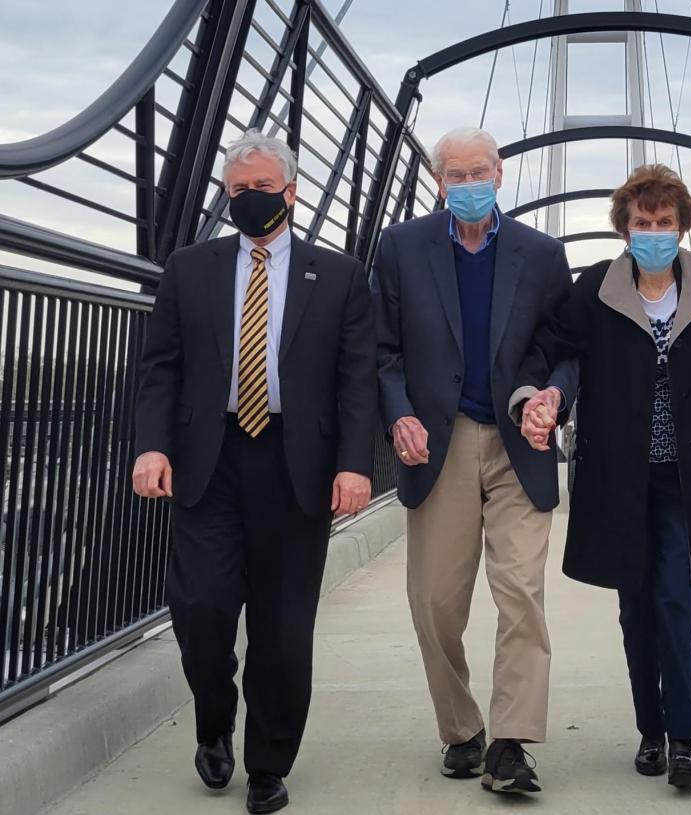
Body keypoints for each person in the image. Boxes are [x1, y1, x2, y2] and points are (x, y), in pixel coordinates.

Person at [132, 130, 376, 814]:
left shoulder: (340, 276)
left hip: (295, 467)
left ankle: (268, 765)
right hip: (208, 462)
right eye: (239, 191)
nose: (250, 200)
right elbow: (161, 367)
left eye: (263, 189)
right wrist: (151, 446)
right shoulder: (190, 267)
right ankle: (214, 722)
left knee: (282, 627)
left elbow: (355, 380)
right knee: (202, 611)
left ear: (291, 193)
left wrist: (355, 463)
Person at [370, 127, 577, 795]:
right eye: (453, 176)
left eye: (477, 173)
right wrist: (398, 411)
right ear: (437, 181)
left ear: (500, 172)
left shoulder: (543, 255)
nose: (466, 186)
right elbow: (382, 350)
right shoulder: (401, 248)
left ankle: (512, 741)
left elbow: (567, 351)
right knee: (435, 599)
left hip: (521, 440)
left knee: (520, 591)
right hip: (439, 440)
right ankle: (461, 728)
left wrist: (553, 396)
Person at [515, 164, 691, 789]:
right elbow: (557, 350)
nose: (654, 233)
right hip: (620, 475)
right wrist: (544, 397)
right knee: (636, 606)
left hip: (686, 476)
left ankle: (685, 739)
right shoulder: (594, 290)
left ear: (683, 226)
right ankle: (650, 729)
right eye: (643, 223)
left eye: (665, 223)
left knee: (676, 599)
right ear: (625, 229)